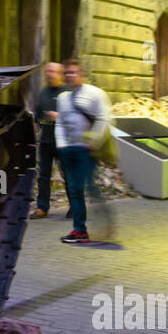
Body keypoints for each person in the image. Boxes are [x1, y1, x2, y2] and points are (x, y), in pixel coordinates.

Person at [55, 59, 112, 244]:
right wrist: (61, 144)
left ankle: (104, 222)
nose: (70, 76)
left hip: (86, 150)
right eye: (67, 73)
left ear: (81, 74)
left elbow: (104, 119)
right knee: (74, 189)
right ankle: (80, 230)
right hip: (68, 150)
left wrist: (95, 141)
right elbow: (60, 123)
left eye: (73, 72)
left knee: (89, 187)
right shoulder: (63, 98)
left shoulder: (95, 94)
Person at [30, 62, 69, 219]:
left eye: (53, 71)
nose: (49, 74)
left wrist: (59, 117)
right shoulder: (43, 93)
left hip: (63, 142)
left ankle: (75, 207)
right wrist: (34, 127)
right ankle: (42, 208)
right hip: (46, 142)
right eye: (47, 72)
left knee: (68, 175)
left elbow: (77, 118)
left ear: (60, 73)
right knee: (43, 176)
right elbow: (38, 117)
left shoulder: (68, 93)